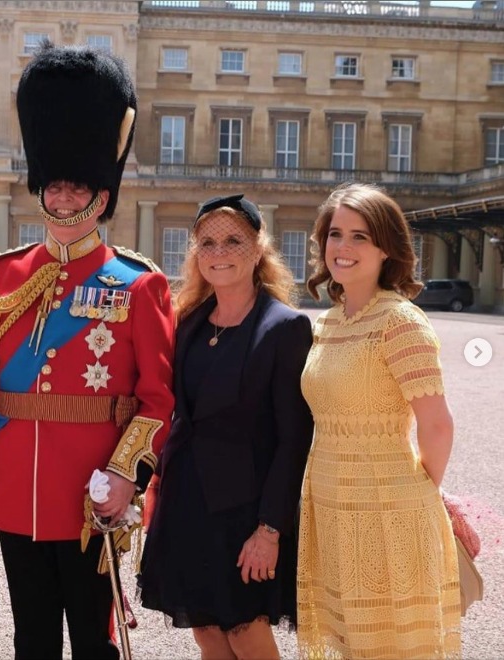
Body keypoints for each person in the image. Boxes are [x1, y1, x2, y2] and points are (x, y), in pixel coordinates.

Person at [0, 41, 175, 659]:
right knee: (30, 635)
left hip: (90, 489)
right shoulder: (3, 276)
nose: (62, 199)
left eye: (76, 188)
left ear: (101, 195)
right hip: (12, 481)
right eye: (53, 188)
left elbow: (158, 398)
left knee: (90, 634)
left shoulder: (138, 283)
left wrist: (123, 476)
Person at [139, 194, 314, 660]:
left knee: (245, 633)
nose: (219, 252)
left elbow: (294, 440)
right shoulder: (189, 321)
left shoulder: (285, 327)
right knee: (207, 632)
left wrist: (270, 530)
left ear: (258, 249)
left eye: (233, 240)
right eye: (208, 242)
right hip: (188, 501)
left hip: (246, 510)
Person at [297, 182, 461, 658]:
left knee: (389, 646)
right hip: (330, 504)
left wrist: (416, 496)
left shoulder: (401, 322)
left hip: (388, 509)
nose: (342, 248)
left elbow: (437, 425)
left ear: (386, 247)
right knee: (348, 642)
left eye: (359, 237)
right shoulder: (327, 323)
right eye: (335, 234)